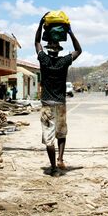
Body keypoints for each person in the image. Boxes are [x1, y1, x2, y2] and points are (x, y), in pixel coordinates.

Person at [35, 13, 82, 176]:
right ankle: (61, 159)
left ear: (49, 50)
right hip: (60, 104)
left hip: (47, 105)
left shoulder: (43, 60)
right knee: (61, 133)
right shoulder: (63, 62)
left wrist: (40, 24)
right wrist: (69, 32)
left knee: (49, 139)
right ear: (59, 49)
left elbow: (37, 42)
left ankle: (54, 167)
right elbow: (78, 50)